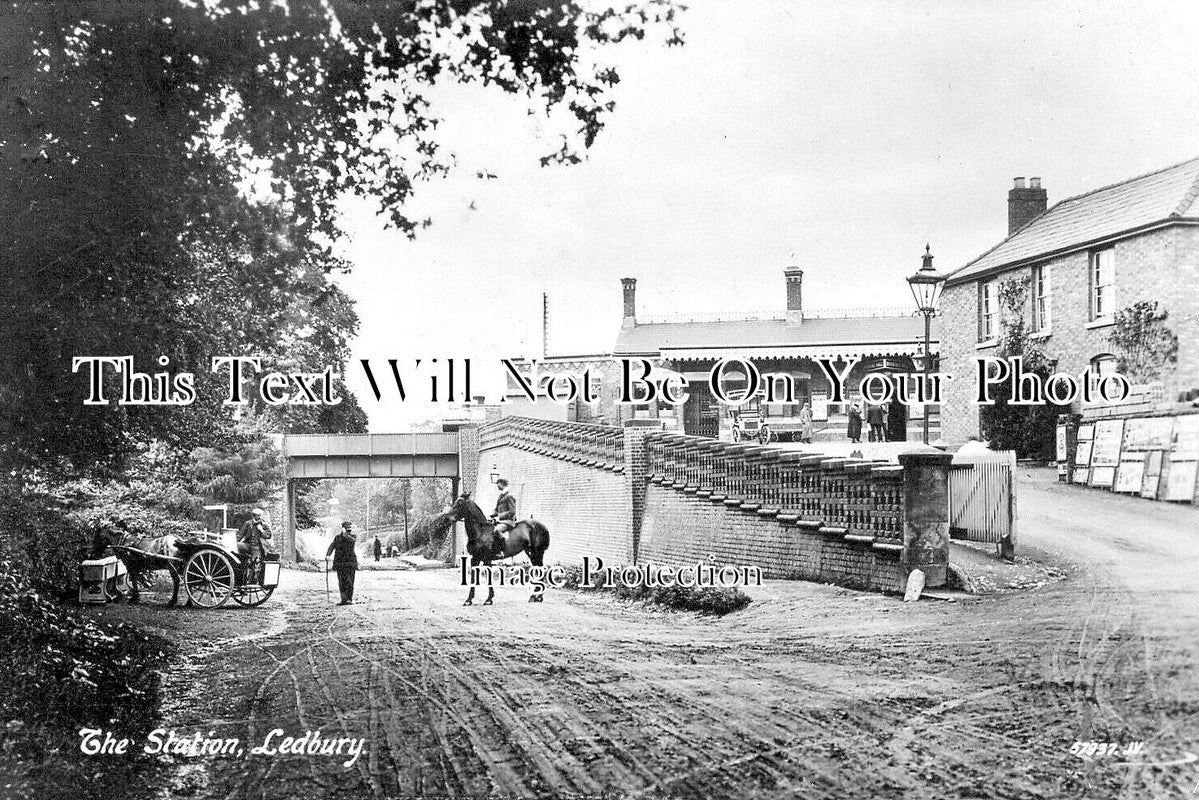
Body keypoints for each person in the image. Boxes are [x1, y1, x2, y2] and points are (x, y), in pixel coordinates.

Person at [326, 521, 358, 605]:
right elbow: (332, 546)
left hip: (350, 563)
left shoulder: (352, 537)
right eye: (347, 529)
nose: (349, 531)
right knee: (341, 582)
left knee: (350, 582)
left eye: (349, 530)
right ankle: (343, 599)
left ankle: (349, 599)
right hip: (340, 563)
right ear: (343, 528)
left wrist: (345, 534)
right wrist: (328, 555)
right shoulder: (337, 538)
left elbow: (352, 542)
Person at [237, 509, 273, 582]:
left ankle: (253, 579)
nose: (258, 517)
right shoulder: (248, 523)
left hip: (257, 547)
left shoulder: (264, 524)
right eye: (257, 515)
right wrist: (236, 541)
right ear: (254, 515)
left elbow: (269, 535)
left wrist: (262, 530)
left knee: (255, 562)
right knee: (237, 546)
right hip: (247, 545)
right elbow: (241, 534)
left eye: (259, 515)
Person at [491, 478, 516, 552]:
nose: (497, 487)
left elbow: (512, 512)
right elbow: (496, 509)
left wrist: (499, 516)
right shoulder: (500, 496)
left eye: (498, 484)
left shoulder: (509, 496)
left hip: (508, 521)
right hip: (500, 521)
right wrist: (490, 515)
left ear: (502, 484)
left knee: (497, 530)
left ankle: (503, 549)